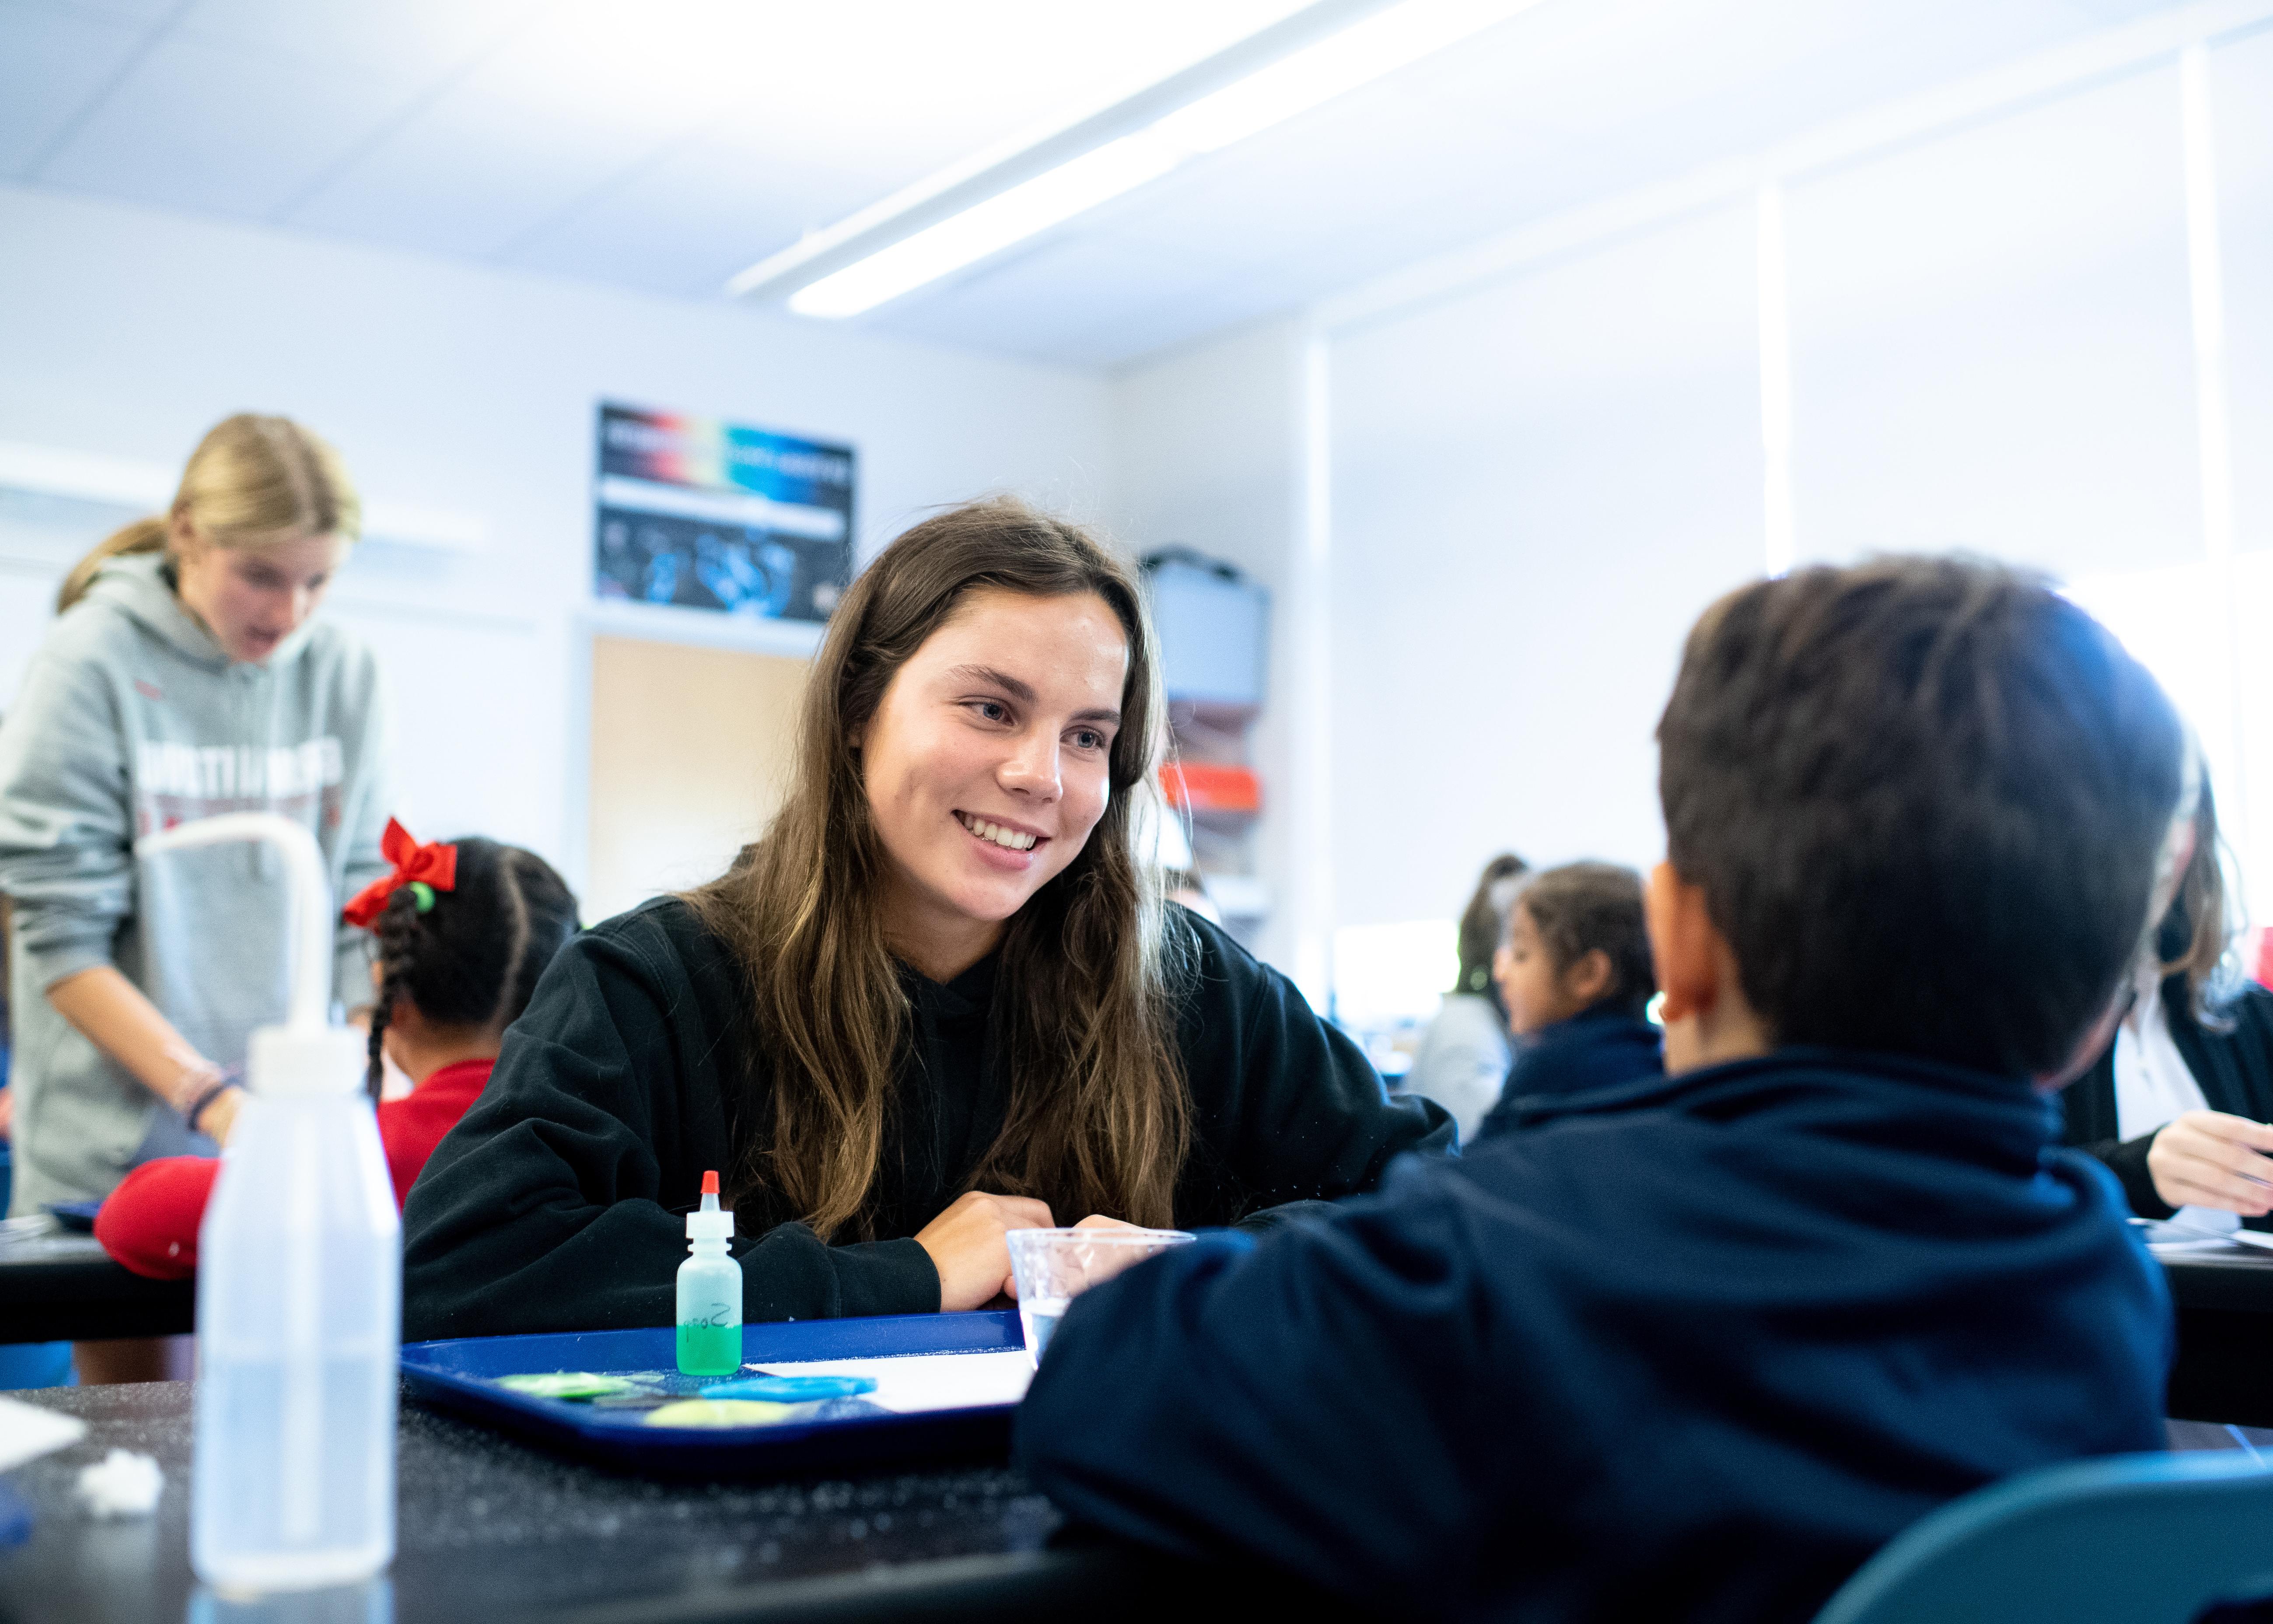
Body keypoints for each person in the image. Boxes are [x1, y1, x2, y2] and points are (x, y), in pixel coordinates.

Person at [1015, 556, 2183, 1623]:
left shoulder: (1492, 1268)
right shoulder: (2100, 1291)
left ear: (1675, 941)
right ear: (2092, 1020)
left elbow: (1103, 1389)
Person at [402, 497, 1450, 1340]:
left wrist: (1186, 1262)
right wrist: (904, 1276)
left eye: (1088, 736)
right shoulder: (654, 984)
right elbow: (462, 1269)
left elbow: (1433, 1200)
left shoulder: (1187, 987)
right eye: (990, 708)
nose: (1040, 774)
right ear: (860, 711)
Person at [0, 413, 389, 1383]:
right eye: (262, 575)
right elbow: (60, 938)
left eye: (318, 580)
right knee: (154, 1438)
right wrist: (216, 1104)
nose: (290, 610)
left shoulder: (344, 672)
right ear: (187, 534)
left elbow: (361, 895)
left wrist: (372, 1081)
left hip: (289, 1130)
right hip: (122, 1146)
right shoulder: (87, 663)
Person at [94, 829, 577, 1279]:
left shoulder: (367, 1160)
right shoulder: (590, 1140)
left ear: (394, 996)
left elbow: (133, 1213)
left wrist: (240, 1125)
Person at [2061, 778, 2273, 1228]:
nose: (2172, 837)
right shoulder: (2009, 1017)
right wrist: (2137, 1171)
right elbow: (1975, 1187)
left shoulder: (2250, 1016)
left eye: (2184, 809)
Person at [1471, 859, 1661, 1141]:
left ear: (1588, 975)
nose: (1501, 973)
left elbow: (1478, 1166)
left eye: (1521, 955)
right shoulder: (1656, 1060)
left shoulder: (1544, 1076)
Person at [1399, 852, 1525, 1141]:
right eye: (1523, 954)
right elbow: (1485, 1152)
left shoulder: (1482, 1020)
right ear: (1500, 960)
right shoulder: (1465, 1031)